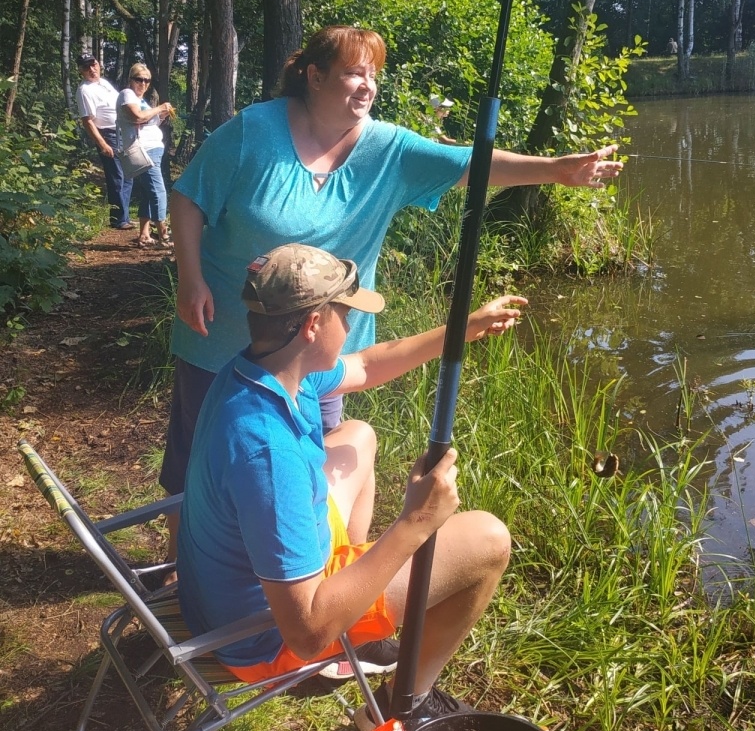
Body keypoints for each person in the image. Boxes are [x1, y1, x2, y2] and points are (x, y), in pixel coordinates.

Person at [162, 25, 622, 510]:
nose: (368, 85)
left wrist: (554, 169)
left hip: (319, 349)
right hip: (223, 331)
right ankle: (182, 571)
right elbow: (190, 196)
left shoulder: (388, 149)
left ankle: (304, 568)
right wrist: (191, 279)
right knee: (199, 467)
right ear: (315, 77)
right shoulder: (253, 132)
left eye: (374, 74)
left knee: (308, 473)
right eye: (354, 73)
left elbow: (469, 164)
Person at [177, 242, 523, 727]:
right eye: (345, 312)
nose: (352, 324)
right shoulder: (269, 454)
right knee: (488, 540)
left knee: (358, 435)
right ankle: (405, 702)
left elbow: (368, 364)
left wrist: (462, 331)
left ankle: (359, 622)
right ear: (313, 324)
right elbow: (307, 633)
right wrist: (416, 522)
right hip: (263, 639)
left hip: (229, 592)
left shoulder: (257, 371)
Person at [116, 63, 176, 248]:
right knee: (159, 192)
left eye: (146, 80)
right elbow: (137, 117)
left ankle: (144, 234)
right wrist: (159, 108)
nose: (143, 83)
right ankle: (164, 235)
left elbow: (147, 122)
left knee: (149, 193)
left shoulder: (140, 100)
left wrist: (161, 115)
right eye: (139, 79)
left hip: (152, 149)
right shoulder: (127, 94)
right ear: (130, 79)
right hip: (144, 151)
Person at [75, 55, 134, 229]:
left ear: (99, 65)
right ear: (81, 71)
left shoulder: (104, 84)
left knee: (128, 175)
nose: (92, 70)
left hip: (122, 132)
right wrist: (102, 144)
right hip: (108, 135)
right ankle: (118, 219)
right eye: (87, 68)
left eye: (93, 65)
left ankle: (124, 216)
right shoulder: (84, 90)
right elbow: (88, 121)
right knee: (116, 177)